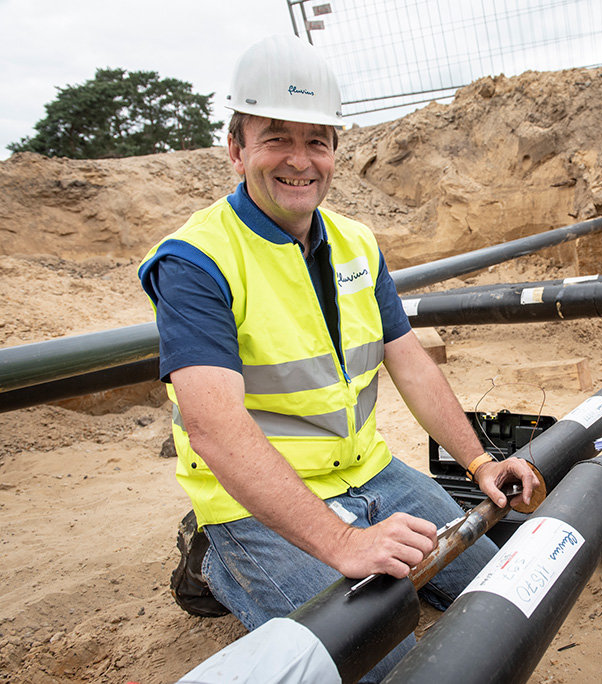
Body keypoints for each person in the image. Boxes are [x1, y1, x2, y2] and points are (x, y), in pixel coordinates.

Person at [137, 35, 539, 681]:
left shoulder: (357, 242)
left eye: (316, 140)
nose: (300, 160)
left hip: (370, 475)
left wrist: (479, 459)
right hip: (254, 500)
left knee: (500, 593)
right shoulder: (196, 261)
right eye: (276, 138)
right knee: (383, 656)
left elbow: (407, 358)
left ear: (334, 152)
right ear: (237, 148)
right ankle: (214, 557)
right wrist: (344, 544)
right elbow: (214, 428)